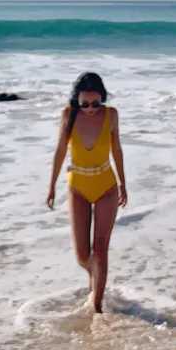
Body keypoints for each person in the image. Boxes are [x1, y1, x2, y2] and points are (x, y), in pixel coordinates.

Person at [46, 71, 127, 313]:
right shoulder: (68, 115)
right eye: (85, 103)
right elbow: (60, 151)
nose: (91, 108)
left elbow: (117, 150)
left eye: (96, 102)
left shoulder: (111, 115)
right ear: (76, 100)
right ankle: (95, 276)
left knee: (100, 249)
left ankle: (97, 307)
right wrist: (51, 185)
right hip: (78, 187)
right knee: (83, 255)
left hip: (106, 187)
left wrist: (124, 183)